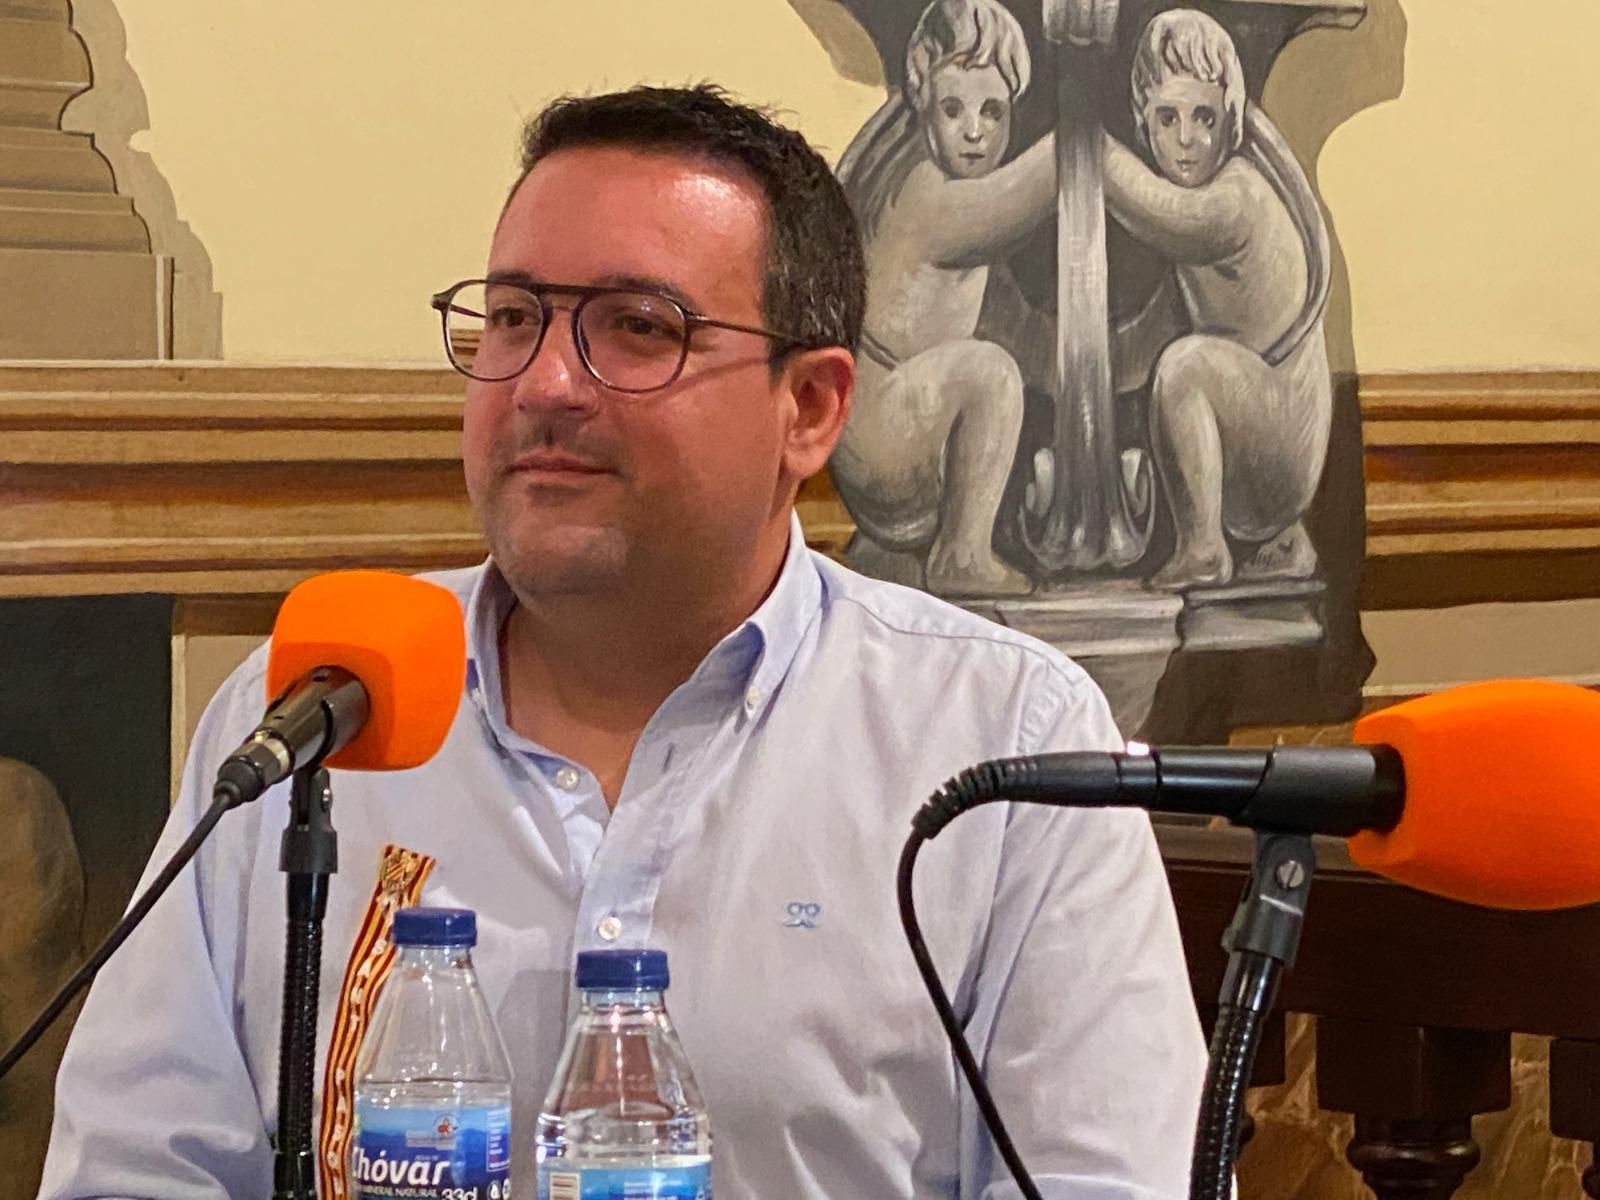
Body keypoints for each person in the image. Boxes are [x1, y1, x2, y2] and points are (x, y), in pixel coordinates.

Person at [39, 85, 1205, 1199]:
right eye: (512, 319)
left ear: (809, 408)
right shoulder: (311, 710)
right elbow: (135, 1171)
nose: (545, 383)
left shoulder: (1002, 743)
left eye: (638, 328)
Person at [832, 0, 1059, 597]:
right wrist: (1087, 132)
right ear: (924, 110)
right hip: (880, 434)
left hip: (880, 424)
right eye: (953, 109)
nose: (975, 132)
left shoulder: (937, 181)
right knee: (989, 373)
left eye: (993, 111)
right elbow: (1040, 182)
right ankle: (963, 554)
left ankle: (902, 549)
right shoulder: (930, 197)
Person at [1103, 9, 1334, 590]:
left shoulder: (1235, 199)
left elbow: (1159, 210)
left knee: (1186, 367)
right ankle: (1264, 541)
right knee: (1179, 358)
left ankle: (1204, 549)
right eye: (1167, 118)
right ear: (1144, 122)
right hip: (1264, 431)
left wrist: (1086, 147)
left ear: (1229, 121)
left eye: (1204, 117)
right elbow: (1147, 338)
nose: (1186, 139)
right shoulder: (1208, 216)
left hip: (1281, 442)